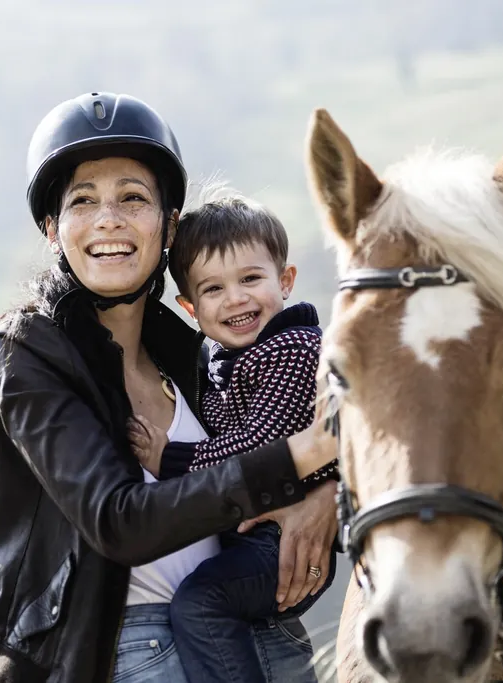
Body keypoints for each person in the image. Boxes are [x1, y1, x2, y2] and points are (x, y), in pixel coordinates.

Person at [0, 92, 338, 683]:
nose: (110, 219)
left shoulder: (195, 352)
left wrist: (324, 493)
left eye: (133, 197)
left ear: (169, 224)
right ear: (53, 229)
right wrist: (303, 457)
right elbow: (117, 522)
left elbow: (287, 431)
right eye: (83, 201)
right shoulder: (27, 353)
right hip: (118, 652)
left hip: (257, 634)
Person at [127, 193, 338, 682]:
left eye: (251, 279)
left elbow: (261, 447)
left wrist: (172, 459)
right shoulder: (221, 361)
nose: (236, 298)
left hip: (281, 540)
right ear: (189, 307)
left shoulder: (294, 348)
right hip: (252, 535)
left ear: (285, 280)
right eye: (213, 289)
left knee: (202, 604)